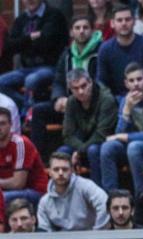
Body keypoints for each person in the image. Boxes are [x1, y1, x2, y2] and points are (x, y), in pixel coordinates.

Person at [30, 16, 102, 158]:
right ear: (71, 32)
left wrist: (76, 99)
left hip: (91, 105)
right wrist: (59, 97)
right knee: (38, 111)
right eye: (77, 28)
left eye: (85, 28)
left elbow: (102, 82)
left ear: (92, 31)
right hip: (68, 103)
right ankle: (37, 160)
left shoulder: (101, 51)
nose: (81, 31)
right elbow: (58, 80)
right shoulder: (67, 53)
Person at [99, 62, 143, 193]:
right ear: (126, 84)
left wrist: (120, 136)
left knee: (134, 147)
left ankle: (142, 194)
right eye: (131, 81)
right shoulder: (125, 100)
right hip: (131, 145)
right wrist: (127, 109)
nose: (136, 84)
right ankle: (112, 197)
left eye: (139, 79)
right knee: (107, 147)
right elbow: (118, 133)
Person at [0, 0, 68, 109]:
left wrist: (22, 42)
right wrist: (31, 37)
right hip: (26, 69)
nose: (30, 0)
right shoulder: (21, 19)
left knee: (31, 80)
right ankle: (26, 107)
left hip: (50, 67)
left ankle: (28, 113)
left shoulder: (54, 15)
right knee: (1, 82)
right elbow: (9, 46)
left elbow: (47, 42)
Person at [96, 4, 143, 97]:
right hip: (118, 100)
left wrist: (142, 93)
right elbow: (102, 83)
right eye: (119, 20)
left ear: (134, 22)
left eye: (128, 19)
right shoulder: (105, 49)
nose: (124, 23)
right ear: (112, 24)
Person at [61, 69, 117, 183]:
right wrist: (80, 149)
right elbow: (67, 134)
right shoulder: (71, 102)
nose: (81, 91)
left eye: (83, 86)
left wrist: (79, 151)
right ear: (70, 89)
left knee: (93, 150)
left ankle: (97, 192)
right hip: (83, 144)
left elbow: (102, 134)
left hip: (104, 143)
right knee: (62, 152)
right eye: (75, 88)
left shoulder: (106, 99)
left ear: (90, 82)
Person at [37, 152, 109, 231]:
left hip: (90, 238)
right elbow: (44, 230)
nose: (60, 173)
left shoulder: (86, 186)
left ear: (71, 171)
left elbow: (105, 204)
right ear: (49, 172)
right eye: (56, 169)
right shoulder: (44, 201)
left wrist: (96, 236)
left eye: (65, 169)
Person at [0, 107, 48, 206]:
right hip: (7, 191)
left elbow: (18, 183)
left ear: (11, 125)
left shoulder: (20, 143)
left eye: (2, 123)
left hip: (35, 192)